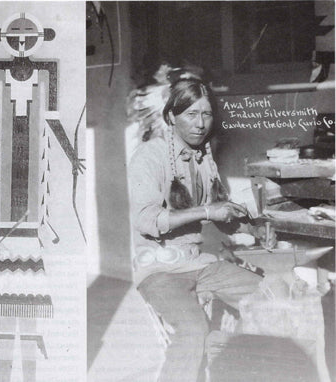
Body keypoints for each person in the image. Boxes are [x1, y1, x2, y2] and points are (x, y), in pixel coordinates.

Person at [128, 75, 274, 382]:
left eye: (206, 114)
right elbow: (146, 221)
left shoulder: (204, 158)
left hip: (199, 263)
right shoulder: (150, 155)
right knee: (193, 330)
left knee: (269, 297)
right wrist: (208, 210)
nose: (200, 124)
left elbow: (222, 220)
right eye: (191, 114)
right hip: (159, 269)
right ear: (171, 116)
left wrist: (250, 227)